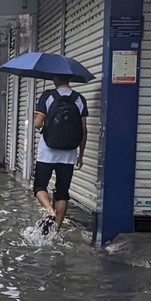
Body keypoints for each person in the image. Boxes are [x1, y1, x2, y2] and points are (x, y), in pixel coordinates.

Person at [33, 75, 88, 234]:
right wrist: (81, 155)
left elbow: (37, 125)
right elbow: (84, 130)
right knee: (63, 192)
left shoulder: (48, 95)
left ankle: (50, 210)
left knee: (40, 186)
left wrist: (35, 116)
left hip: (47, 153)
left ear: (55, 80)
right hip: (69, 153)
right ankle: (56, 231)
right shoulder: (79, 99)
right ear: (69, 79)